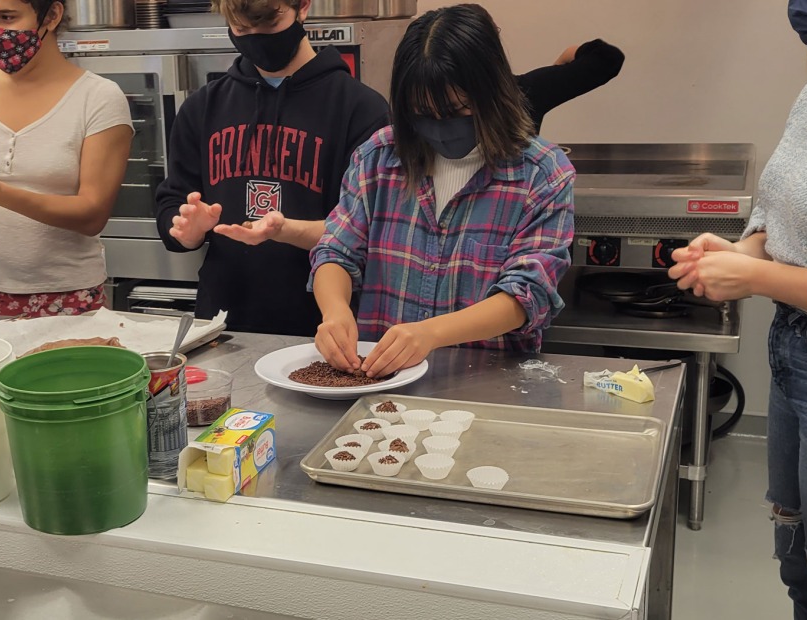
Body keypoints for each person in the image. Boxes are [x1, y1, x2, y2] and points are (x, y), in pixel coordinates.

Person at [670, 1, 807, 617]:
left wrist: (753, 275)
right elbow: (775, 212)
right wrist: (740, 251)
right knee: (798, 562)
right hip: (794, 356)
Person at [309, 3, 575, 379]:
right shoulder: (379, 159)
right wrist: (335, 312)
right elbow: (335, 249)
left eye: (458, 109)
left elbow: (527, 293)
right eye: (422, 113)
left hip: (483, 383)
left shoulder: (541, 175)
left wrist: (431, 333)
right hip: (381, 382)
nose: (440, 128)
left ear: (492, 93)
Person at [154, 0, 390, 337]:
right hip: (221, 327)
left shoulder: (361, 109)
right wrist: (186, 230)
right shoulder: (203, 106)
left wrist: (286, 229)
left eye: (268, 23)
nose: (255, 37)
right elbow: (171, 201)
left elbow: (372, 232)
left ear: (303, 6)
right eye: (242, 28)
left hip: (323, 328)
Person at [0, 0, 133, 317]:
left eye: (7, 17)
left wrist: (0, 194)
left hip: (73, 297)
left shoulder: (99, 97)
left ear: (51, 15)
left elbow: (92, 215)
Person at [517, 39, 626, 134]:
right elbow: (608, 59)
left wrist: (558, 67)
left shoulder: (523, 90)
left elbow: (607, 59)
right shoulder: (523, 90)